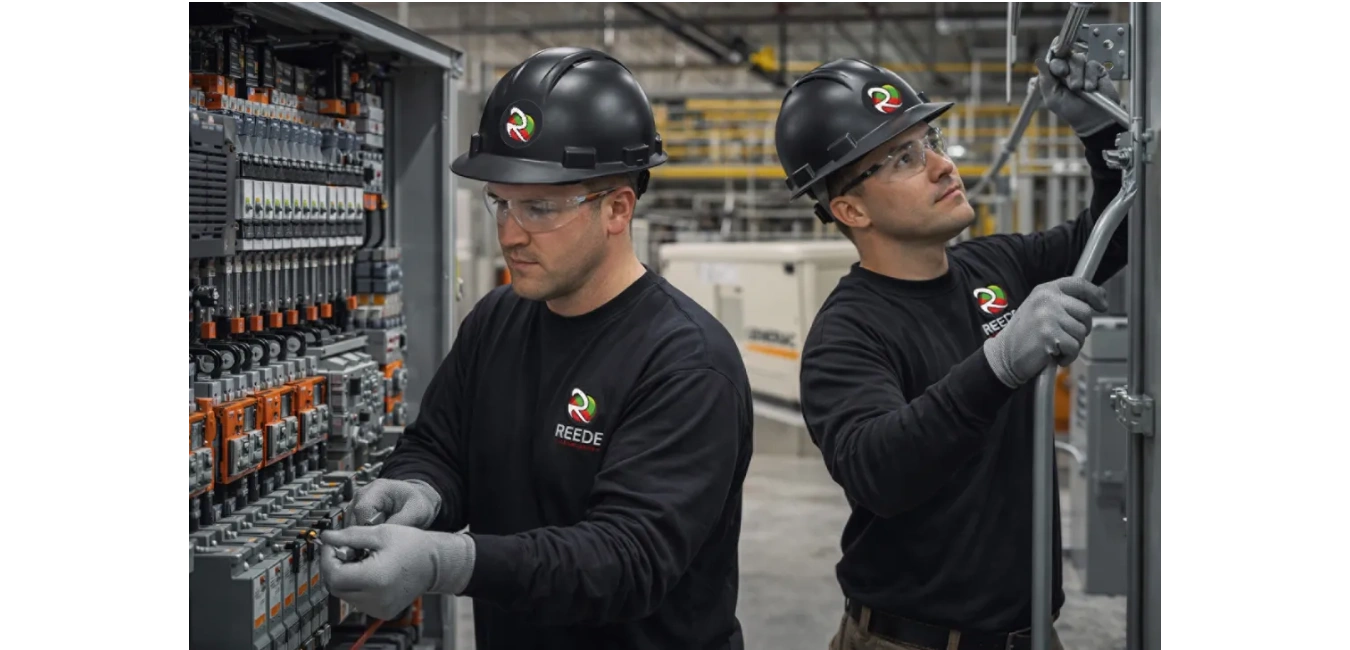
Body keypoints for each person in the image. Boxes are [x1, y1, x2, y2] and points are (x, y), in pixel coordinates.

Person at [317, 47, 754, 650]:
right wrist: (419, 492)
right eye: (502, 202)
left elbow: (626, 559)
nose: (510, 232)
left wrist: (446, 563)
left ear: (617, 209)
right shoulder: (498, 318)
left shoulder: (686, 361)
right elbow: (439, 445)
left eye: (540, 207)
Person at [773, 48, 1126, 650]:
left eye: (931, 139)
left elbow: (1116, 232)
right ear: (850, 209)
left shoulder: (996, 265)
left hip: (1031, 633)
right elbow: (878, 469)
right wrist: (998, 365)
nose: (942, 165)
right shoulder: (849, 331)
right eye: (903, 157)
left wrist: (1100, 128)